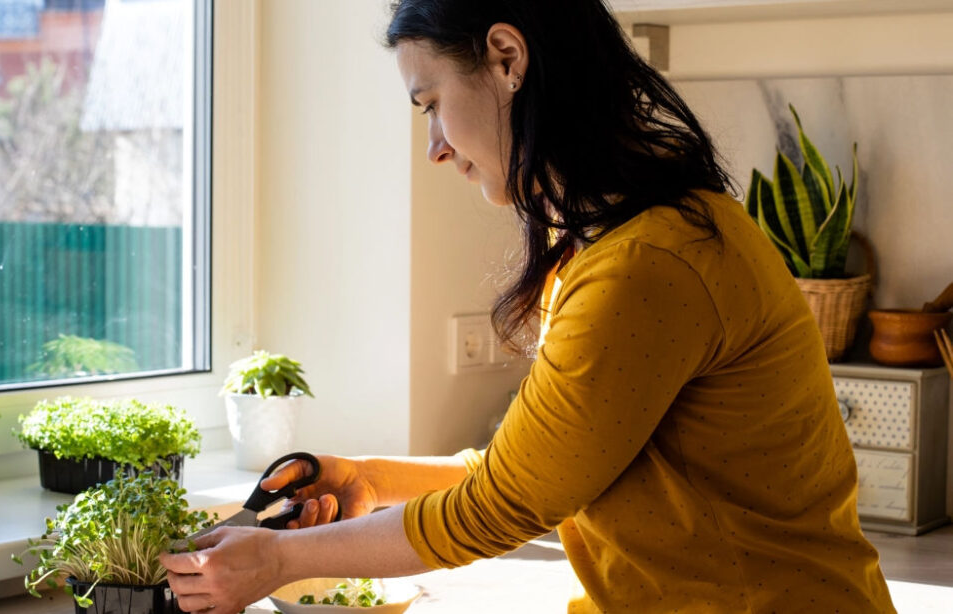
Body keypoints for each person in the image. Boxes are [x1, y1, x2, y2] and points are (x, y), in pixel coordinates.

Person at [160, 1, 896, 612]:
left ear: (508, 58)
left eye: (432, 104)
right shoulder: (606, 239)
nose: (434, 149)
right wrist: (368, 478)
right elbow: (531, 470)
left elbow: (502, 506)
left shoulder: (647, 265)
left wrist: (279, 559)